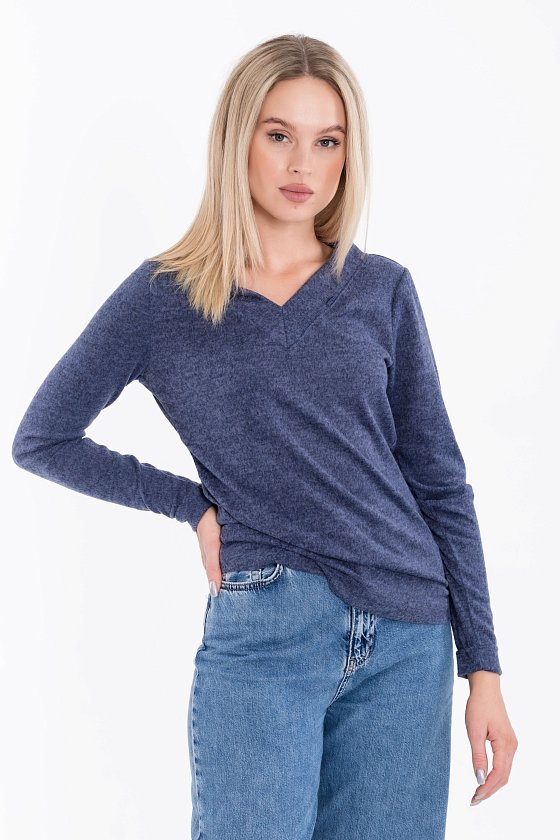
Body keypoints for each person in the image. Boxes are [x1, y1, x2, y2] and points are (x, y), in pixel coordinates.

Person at [12, 33, 517, 840]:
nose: (302, 165)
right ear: (237, 138)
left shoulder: (381, 289)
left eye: (328, 141)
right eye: (279, 134)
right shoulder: (166, 297)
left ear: (348, 155)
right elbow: (43, 438)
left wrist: (482, 667)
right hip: (267, 634)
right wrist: (192, 506)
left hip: (409, 643)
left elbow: (439, 482)